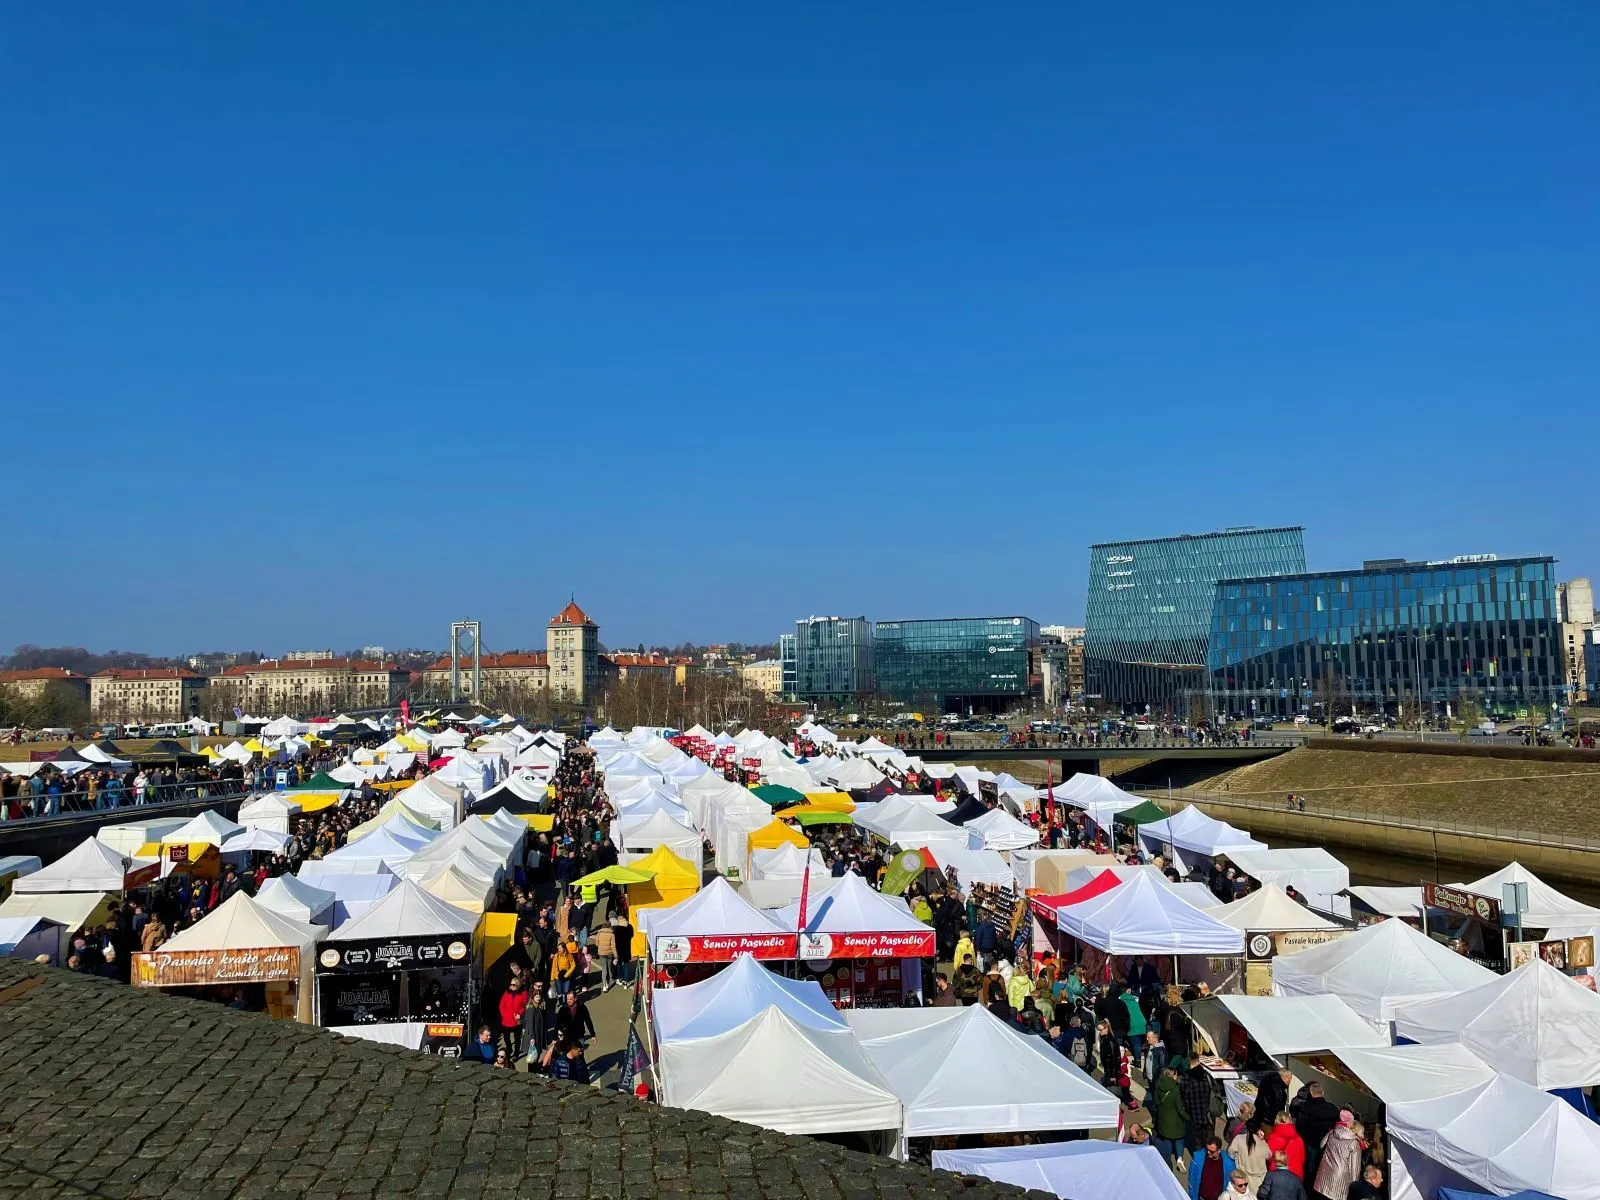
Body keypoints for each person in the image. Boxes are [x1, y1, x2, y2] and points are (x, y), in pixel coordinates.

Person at [1294, 1084, 1341, 1186]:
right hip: (1329, 1143)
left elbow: (1300, 1126)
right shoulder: (1333, 1108)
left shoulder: (1306, 1107)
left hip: (1311, 1142)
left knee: (1311, 1169)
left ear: (1311, 1093)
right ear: (1322, 1093)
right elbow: (1338, 1126)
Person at [1312, 1111, 1362, 1200]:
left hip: (1324, 1173)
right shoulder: (1354, 1143)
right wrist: (1355, 1188)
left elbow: (1322, 1144)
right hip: (1340, 1179)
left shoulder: (1334, 1132)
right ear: (1357, 1132)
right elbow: (1355, 1168)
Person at [1151, 1066, 1189, 1169]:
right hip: (1176, 1121)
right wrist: (1188, 1117)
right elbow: (1180, 1109)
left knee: (1167, 1139)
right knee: (1179, 1139)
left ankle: (1167, 1159)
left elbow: (1156, 1102)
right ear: (1173, 1076)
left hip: (1163, 1119)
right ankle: (1180, 1158)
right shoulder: (1175, 1089)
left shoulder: (1158, 1085)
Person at [1230, 1117, 1272, 1196]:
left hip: (1244, 1181)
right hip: (1259, 1182)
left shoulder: (1238, 1139)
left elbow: (1230, 1153)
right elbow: (1269, 1155)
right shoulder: (1262, 1142)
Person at [496, 977, 529, 1060]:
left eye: (513, 985)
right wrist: (504, 1015)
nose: (511, 986)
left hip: (516, 1020)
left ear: (518, 985)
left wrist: (520, 1014)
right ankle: (509, 1049)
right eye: (511, 984)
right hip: (506, 1019)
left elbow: (525, 1006)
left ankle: (516, 1053)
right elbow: (501, 1006)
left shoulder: (523, 993)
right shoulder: (507, 993)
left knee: (517, 1039)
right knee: (506, 1038)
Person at [1267, 1113, 1306, 1180]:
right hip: (1296, 1175)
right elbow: (1303, 1159)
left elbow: (1269, 1157)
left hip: (1278, 1174)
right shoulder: (1298, 1138)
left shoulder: (1273, 1137)